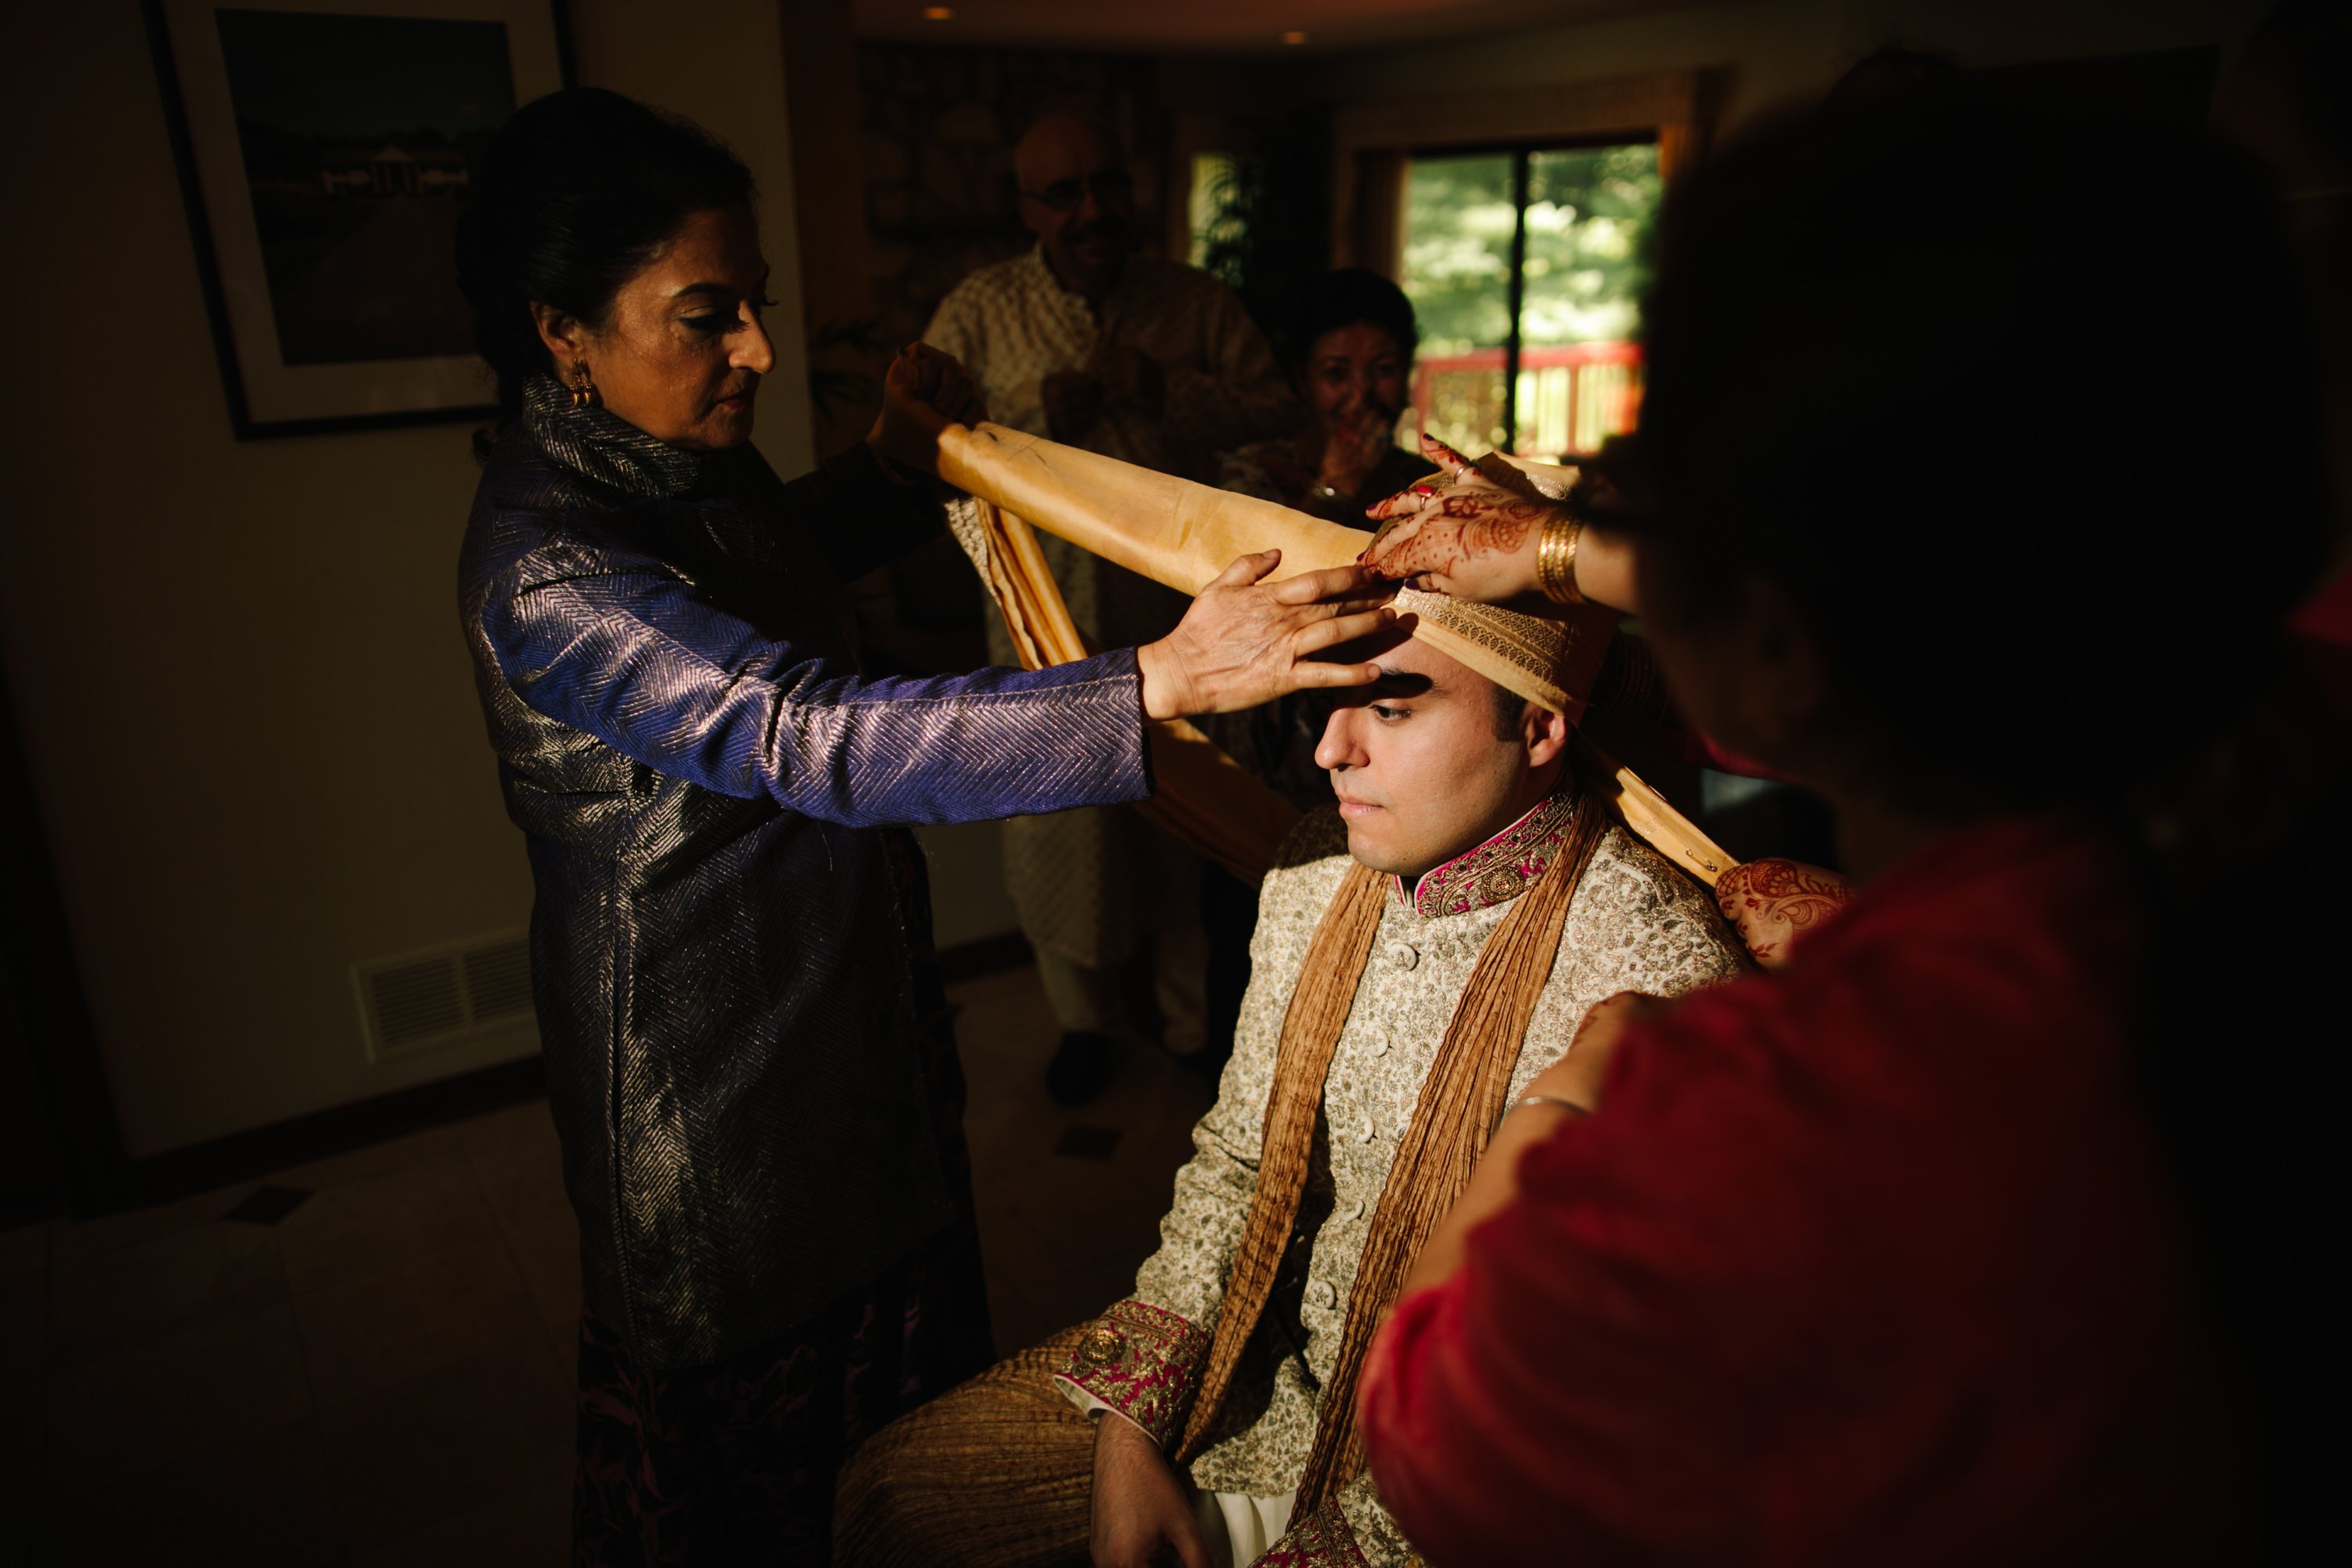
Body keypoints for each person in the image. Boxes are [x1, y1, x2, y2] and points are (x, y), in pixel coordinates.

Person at [1352, 91, 2337, 1562]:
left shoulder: (1768, 1134)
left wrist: (1577, 1089)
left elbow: (1434, 1428)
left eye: (1650, 480)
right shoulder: (2279, 751)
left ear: (1772, 639)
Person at [453, 89, 1392, 1563]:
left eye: (752, 306)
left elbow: (771, 560)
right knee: (775, 1490)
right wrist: (1163, 675)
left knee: (909, 1448)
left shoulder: (679, 466)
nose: (757, 349)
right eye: (710, 317)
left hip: (836, 1017)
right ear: (561, 329)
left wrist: (898, 468)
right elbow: (802, 730)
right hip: (717, 1092)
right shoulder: (547, 566)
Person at [833, 594, 1746, 1568]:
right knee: (890, 1499)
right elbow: (1238, 1159)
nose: (1330, 748)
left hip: (1442, 1477)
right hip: (1252, 1371)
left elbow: (1585, 1397)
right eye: (1335, 701)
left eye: (1391, 708)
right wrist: (1129, 1435)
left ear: (1538, 727)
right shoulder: (1315, 866)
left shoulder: (1654, 968)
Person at [923, 112, 1299, 1105]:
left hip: (1183, 626)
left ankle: (1190, 1024)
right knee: (1061, 828)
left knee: (1183, 815)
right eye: (1065, 194)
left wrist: (1168, 390)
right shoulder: (979, 309)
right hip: (1044, 632)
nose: (1093, 211)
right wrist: (1032, 424)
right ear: (1026, 209)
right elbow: (918, 444)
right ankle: (1085, 1024)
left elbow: (1277, 415)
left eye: (1108, 185)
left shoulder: (1193, 302)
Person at [1218, 269, 1436, 528]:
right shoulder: (1254, 474)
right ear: (1302, 380)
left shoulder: (1428, 483)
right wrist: (1334, 490)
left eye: (1384, 369)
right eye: (1336, 373)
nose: (1361, 394)